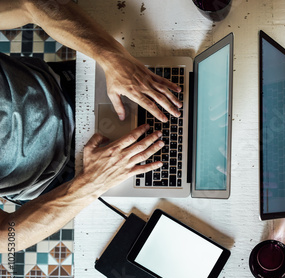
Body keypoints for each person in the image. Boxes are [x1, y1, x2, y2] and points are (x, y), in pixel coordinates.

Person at [0, 0, 182, 252]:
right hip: (66, 181)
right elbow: (5, 238)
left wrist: (111, 57)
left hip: (70, 85)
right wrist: (92, 182)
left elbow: (30, 5)